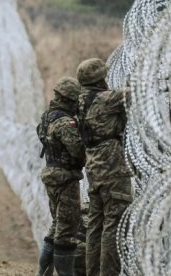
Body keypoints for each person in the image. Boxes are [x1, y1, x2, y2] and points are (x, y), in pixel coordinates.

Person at [76, 58, 132, 276]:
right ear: (99, 80)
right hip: (112, 168)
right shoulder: (106, 99)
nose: (108, 79)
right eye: (105, 77)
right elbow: (137, 93)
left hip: (94, 168)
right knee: (114, 224)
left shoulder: (80, 101)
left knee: (96, 224)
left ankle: (92, 272)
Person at [36, 77, 85, 276]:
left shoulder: (47, 117)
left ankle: (43, 271)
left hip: (51, 174)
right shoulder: (65, 122)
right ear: (70, 99)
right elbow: (77, 150)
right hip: (65, 177)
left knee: (57, 225)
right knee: (67, 229)